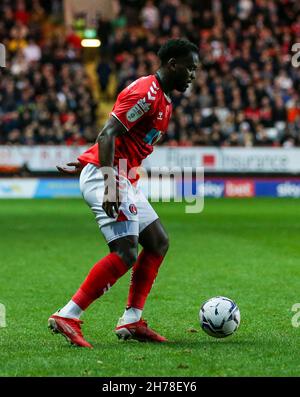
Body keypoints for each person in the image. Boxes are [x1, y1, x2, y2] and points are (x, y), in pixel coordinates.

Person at [48, 38, 199, 348]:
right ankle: (68, 315)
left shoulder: (165, 101)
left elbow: (121, 139)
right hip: (110, 177)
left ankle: (132, 319)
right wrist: (106, 180)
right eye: (190, 68)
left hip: (122, 176)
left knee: (157, 242)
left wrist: (85, 161)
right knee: (126, 251)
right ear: (172, 64)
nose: (193, 75)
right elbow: (108, 134)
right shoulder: (145, 93)